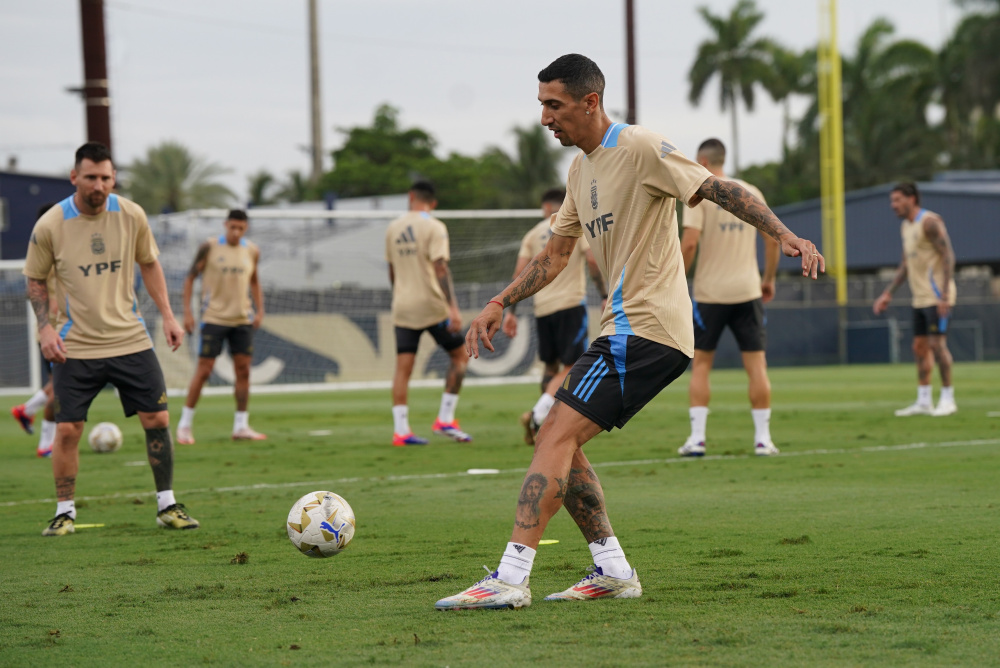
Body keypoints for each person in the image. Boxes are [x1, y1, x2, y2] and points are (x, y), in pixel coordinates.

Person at [435, 54, 823, 610]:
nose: (545, 117)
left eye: (555, 105)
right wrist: (501, 299)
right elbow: (556, 256)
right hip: (620, 330)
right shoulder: (579, 171)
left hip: (648, 329)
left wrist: (785, 235)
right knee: (561, 442)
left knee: (552, 435)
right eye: (541, 105)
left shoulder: (640, 146)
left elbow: (717, 188)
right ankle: (613, 570)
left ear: (590, 102)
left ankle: (511, 576)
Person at [22, 141, 199, 536]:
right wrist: (45, 327)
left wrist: (169, 316)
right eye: (90, 177)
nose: (98, 185)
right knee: (67, 429)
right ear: (75, 177)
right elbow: (34, 279)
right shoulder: (50, 224)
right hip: (76, 343)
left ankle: (167, 505)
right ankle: (64, 512)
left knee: (158, 418)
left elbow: (150, 263)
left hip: (130, 338)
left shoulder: (132, 214)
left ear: (113, 177)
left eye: (106, 177)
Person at [677, 138, 781, 457]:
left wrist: (677, 280)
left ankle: (697, 439)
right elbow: (773, 239)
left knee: (702, 366)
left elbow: (690, 243)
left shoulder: (700, 193)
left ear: (704, 162)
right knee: (756, 366)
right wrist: (768, 279)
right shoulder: (752, 191)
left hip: (710, 295)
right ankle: (763, 440)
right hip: (748, 291)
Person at [501, 188, 605, 444]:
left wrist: (511, 312)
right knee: (572, 365)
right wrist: (604, 294)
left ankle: (545, 423)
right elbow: (592, 262)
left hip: (541, 308)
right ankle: (537, 415)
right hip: (570, 305)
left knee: (550, 366)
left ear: (544, 207)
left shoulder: (532, 234)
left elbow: (520, 274)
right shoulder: (573, 225)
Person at [385, 180, 472, 446]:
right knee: (460, 355)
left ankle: (401, 431)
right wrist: (453, 308)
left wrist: (401, 293)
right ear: (432, 203)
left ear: (410, 197)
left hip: (403, 305)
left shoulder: (392, 227)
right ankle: (445, 419)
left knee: (403, 368)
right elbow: (440, 268)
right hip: (433, 305)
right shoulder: (434, 226)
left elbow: (391, 272)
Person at [176, 209, 266, 444]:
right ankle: (184, 425)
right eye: (232, 227)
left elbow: (255, 281)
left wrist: (260, 310)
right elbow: (189, 278)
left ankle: (241, 426)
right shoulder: (209, 247)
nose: (235, 232)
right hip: (214, 319)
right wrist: (187, 312)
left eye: (240, 228)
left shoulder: (252, 250)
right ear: (225, 225)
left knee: (244, 372)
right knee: (204, 371)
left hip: (242, 320)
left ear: (245, 228)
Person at [873, 182, 957, 417]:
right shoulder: (906, 227)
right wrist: (888, 292)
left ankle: (948, 398)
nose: (893, 205)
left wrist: (945, 295)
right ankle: (924, 400)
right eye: (892, 201)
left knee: (937, 346)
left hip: (937, 296)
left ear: (912, 199)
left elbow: (948, 256)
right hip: (919, 298)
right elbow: (905, 265)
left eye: (897, 200)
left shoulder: (929, 222)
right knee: (919, 347)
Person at [11, 205, 61, 458]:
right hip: (56, 330)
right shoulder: (48, 247)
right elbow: (45, 291)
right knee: (60, 387)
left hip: (54, 329)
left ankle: (26, 410)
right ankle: (45, 444)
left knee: (57, 384)